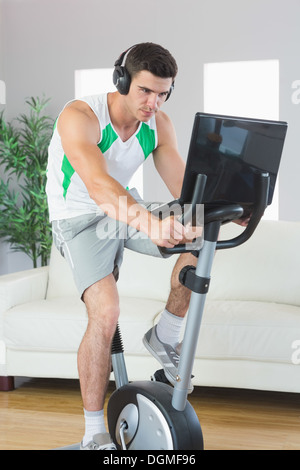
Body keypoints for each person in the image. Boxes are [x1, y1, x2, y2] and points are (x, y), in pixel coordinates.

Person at [46, 42, 200, 450]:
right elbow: (98, 187)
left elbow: (185, 193)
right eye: (145, 91)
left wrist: (225, 208)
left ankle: (167, 333)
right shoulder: (81, 116)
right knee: (107, 311)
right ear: (122, 80)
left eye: (163, 93)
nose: (154, 102)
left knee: (199, 229)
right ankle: (95, 431)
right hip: (78, 217)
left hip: (125, 206)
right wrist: (150, 224)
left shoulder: (157, 124)